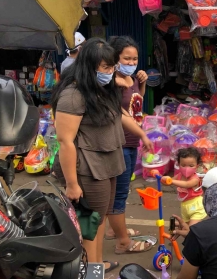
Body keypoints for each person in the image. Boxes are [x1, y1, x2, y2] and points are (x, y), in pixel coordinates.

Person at [52, 38, 153, 273]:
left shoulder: (101, 89)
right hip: (90, 168)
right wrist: (72, 184)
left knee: (98, 224)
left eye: (111, 67)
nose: (110, 72)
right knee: (90, 227)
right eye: (105, 68)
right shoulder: (73, 95)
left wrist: (143, 135)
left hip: (109, 164)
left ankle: (95, 268)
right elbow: (65, 141)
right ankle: (92, 271)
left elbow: (122, 115)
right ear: (89, 66)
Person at [104, 36, 153, 254]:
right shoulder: (111, 81)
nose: (132, 63)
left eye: (135, 59)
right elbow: (119, 111)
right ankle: (123, 241)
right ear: (115, 58)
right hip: (119, 142)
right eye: (127, 58)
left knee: (122, 190)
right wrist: (142, 134)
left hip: (130, 141)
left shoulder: (131, 79)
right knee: (119, 193)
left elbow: (136, 103)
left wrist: (141, 84)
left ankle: (113, 230)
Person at [160, 147, 207, 226]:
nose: (187, 168)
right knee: (186, 227)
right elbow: (168, 182)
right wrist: (162, 178)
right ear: (178, 164)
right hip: (184, 206)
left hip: (196, 206)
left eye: (191, 165)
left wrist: (171, 181)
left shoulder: (195, 178)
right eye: (183, 165)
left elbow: (187, 184)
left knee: (192, 228)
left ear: (197, 166)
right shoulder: (179, 175)